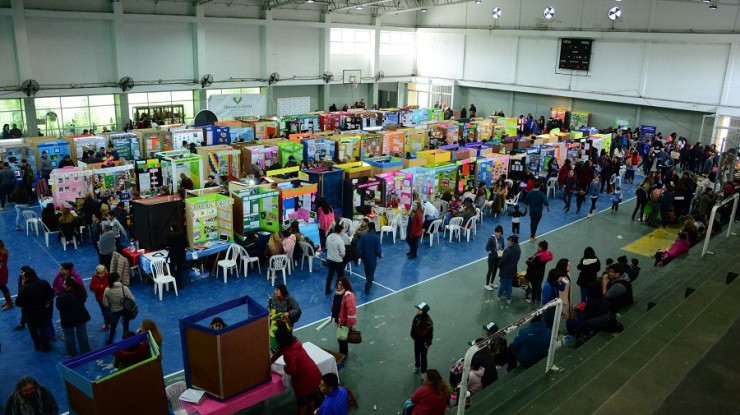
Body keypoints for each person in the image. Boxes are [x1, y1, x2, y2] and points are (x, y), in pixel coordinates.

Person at [270, 330, 322, 415]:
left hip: (303, 378)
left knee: (301, 400)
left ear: (281, 341)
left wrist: (285, 368)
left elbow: (292, 371)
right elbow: (280, 351)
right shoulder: (295, 343)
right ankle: (311, 412)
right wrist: (271, 360)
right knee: (311, 395)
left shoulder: (288, 354)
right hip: (313, 371)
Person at [15, 266, 55, 351]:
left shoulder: (24, 288)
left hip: (30, 313)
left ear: (27, 277)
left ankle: (37, 346)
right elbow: (51, 295)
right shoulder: (44, 283)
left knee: (33, 330)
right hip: (42, 311)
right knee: (43, 329)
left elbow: (18, 303)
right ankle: (45, 346)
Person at [56, 278, 91, 357]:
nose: (63, 285)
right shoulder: (81, 293)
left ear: (70, 287)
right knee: (82, 334)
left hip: (68, 319)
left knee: (69, 337)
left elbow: (59, 307)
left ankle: (71, 353)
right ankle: (85, 350)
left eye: (65, 284)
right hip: (80, 317)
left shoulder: (62, 297)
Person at [102, 272, 135, 344]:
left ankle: (110, 340)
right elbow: (132, 299)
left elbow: (105, 303)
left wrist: (111, 305)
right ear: (118, 279)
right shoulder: (124, 288)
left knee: (113, 326)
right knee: (126, 325)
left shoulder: (107, 290)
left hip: (115, 310)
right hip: (125, 310)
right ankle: (125, 340)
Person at [332, 277, 356, 357]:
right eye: (338, 284)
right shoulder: (337, 293)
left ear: (345, 285)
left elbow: (351, 310)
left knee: (342, 338)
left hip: (344, 321)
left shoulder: (348, 296)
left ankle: (343, 354)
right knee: (341, 338)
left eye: (341, 285)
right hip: (338, 320)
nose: (339, 286)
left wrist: (349, 324)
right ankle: (342, 353)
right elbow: (335, 305)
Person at [524, 240, 553, 306]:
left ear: (542, 248)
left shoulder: (540, 257)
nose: (537, 248)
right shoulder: (544, 255)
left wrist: (528, 262)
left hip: (535, 275)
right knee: (539, 285)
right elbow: (535, 258)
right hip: (540, 274)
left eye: (539, 247)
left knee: (534, 287)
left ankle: (533, 300)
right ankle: (539, 297)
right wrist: (531, 258)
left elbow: (533, 266)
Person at [356, 222, 382, 295]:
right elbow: (378, 250)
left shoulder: (364, 236)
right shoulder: (376, 238)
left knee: (366, 269)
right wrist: (380, 255)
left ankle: (369, 279)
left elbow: (358, 248)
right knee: (371, 272)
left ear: (368, 228)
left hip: (364, 258)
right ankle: (367, 286)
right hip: (372, 259)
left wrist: (359, 256)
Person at [410, 302, 433, 375]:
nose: (417, 310)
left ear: (423, 311)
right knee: (416, 353)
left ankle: (423, 371)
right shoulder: (416, 317)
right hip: (417, 340)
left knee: (423, 356)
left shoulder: (428, 321)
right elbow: (413, 327)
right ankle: (417, 365)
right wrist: (413, 336)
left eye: (419, 309)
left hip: (424, 341)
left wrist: (428, 343)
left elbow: (430, 333)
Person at [497, 235, 521, 304]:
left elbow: (502, 261)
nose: (508, 242)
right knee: (509, 284)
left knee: (503, 284)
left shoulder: (508, 251)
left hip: (505, 270)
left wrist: (499, 265)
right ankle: (508, 299)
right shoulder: (518, 249)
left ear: (512, 242)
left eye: (509, 241)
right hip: (513, 269)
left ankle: (499, 297)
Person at [167, 222, 190, 289]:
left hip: (173, 254)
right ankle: (180, 284)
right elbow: (186, 244)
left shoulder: (170, 235)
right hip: (181, 254)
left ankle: (173, 285)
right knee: (179, 269)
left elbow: (168, 245)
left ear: (172, 228)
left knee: (172, 270)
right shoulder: (182, 234)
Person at [325, 224, 345, 295]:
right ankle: (340, 291)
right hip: (338, 261)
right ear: (340, 231)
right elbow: (342, 253)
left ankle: (327, 289)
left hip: (330, 259)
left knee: (330, 274)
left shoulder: (329, 237)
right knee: (340, 276)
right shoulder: (340, 240)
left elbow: (326, 247)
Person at [89, 265, 110, 331]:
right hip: (99, 299)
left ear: (104, 272)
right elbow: (91, 287)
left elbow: (105, 287)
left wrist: (97, 287)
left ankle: (112, 326)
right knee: (104, 312)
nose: (100, 275)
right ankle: (107, 325)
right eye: (98, 273)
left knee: (108, 312)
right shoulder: (94, 277)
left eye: (102, 273)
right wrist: (100, 286)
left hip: (107, 299)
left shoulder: (108, 276)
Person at [484, 225, 505, 290]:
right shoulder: (491, 238)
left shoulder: (502, 238)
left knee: (495, 270)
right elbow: (487, 248)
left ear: (500, 232)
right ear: (494, 232)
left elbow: (502, 247)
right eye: (496, 232)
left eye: (498, 232)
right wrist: (491, 253)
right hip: (492, 258)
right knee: (490, 270)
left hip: (498, 257)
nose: (497, 233)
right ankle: (487, 284)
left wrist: (500, 254)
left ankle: (492, 282)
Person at [0, 240, 11, 310]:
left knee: (2, 287)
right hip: (3, 270)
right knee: (2, 287)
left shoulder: (2, 254)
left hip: (1, 272)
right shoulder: (3, 252)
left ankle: (9, 303)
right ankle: (9, 301)